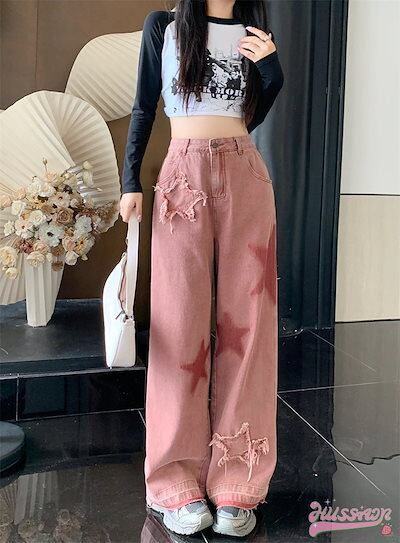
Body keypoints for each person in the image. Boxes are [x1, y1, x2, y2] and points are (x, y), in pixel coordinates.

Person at [120, 0, 284, 537]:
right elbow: (144, 105)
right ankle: (175, 481)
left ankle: (239, 480)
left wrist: (271, 71)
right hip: (181, 174)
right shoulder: (165, 26)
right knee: (178, 323)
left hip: (244, 172)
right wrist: (130, 182)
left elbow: (253, 113)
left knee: (250, 329)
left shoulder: (254, 31)